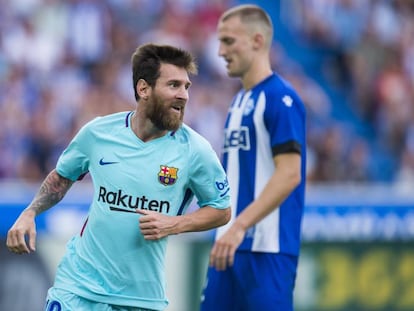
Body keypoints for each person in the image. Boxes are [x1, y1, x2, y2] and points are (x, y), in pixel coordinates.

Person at [6, 43, 231, 311]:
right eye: (173, 85)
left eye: (186, 87)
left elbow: (222, 210)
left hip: (141, 299)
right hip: (78, 289)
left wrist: (174, 224)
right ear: (143, 89)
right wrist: (30, 212)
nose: (183, 95)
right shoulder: (98, 133)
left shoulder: (196, 150)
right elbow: (62, 177)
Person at [200, 5, 307, 311]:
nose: (220, 51)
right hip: (228, 245)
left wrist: (239, 225)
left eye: (229, 41)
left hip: (267, 249)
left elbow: (289, 174)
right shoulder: (237, 103)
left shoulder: (282, 99)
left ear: (257, 41)